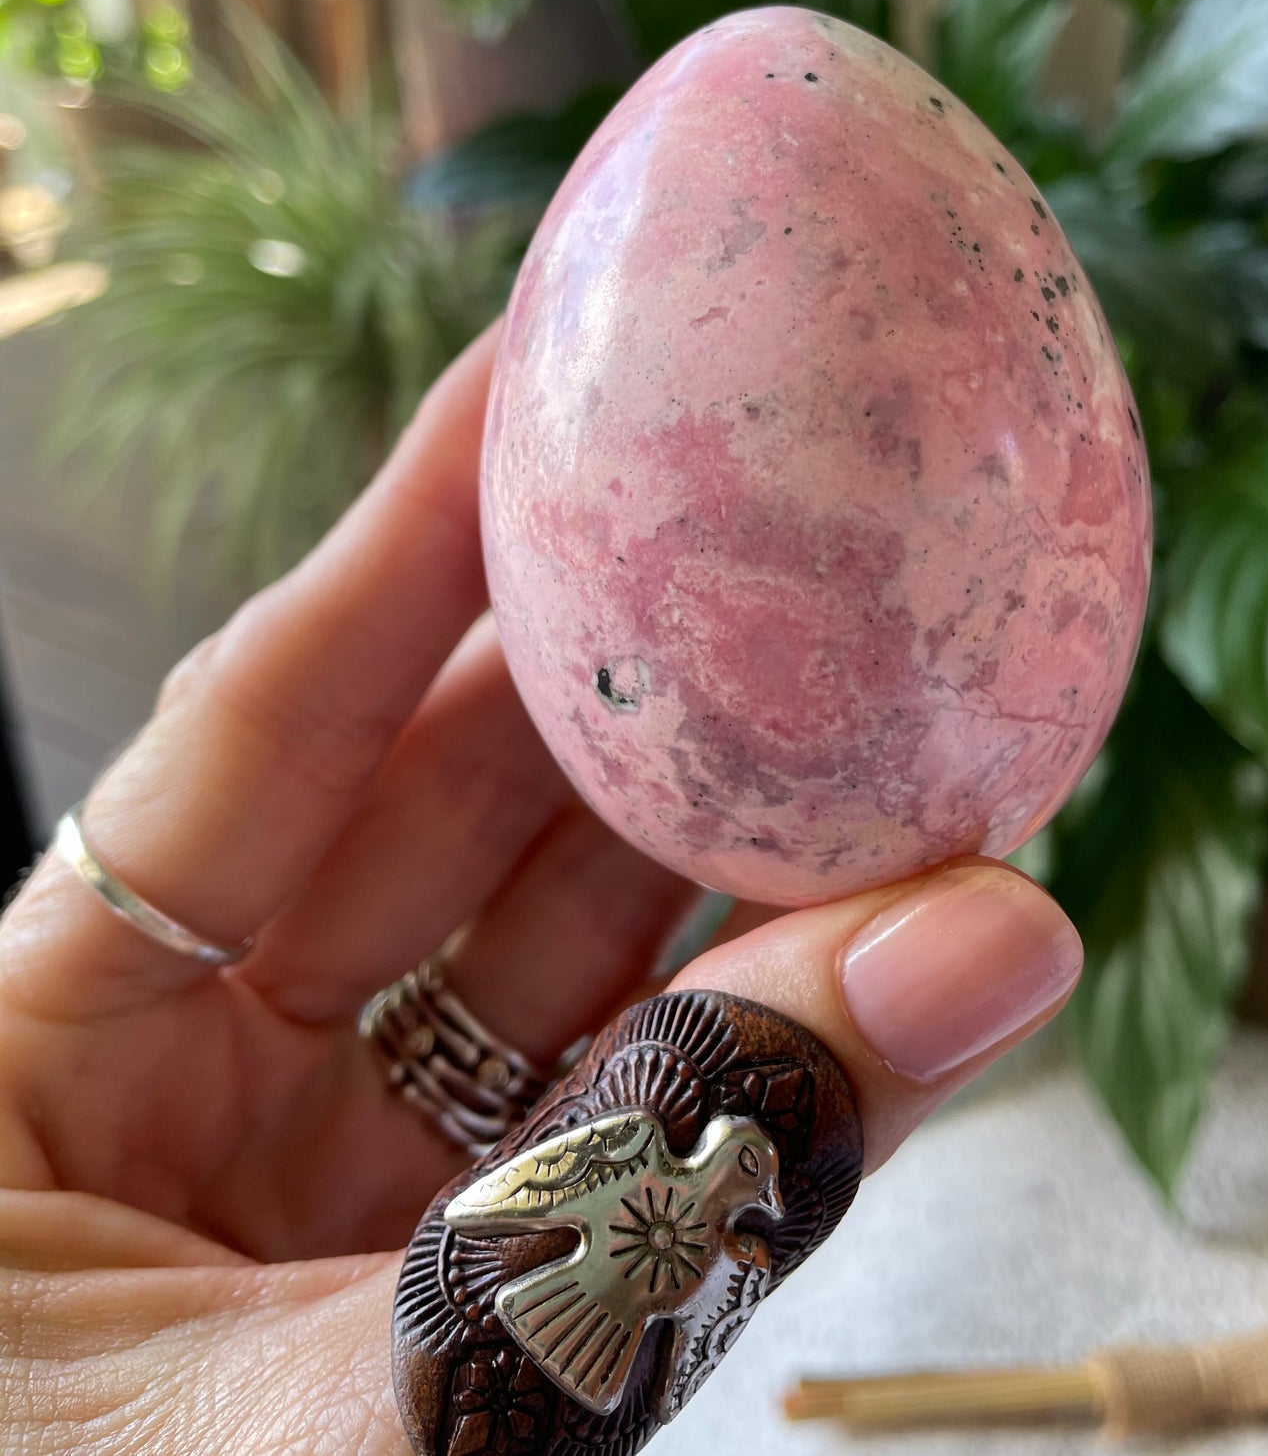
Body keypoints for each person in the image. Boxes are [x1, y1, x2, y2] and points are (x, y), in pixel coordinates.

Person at [0, 324, 1082, 1452]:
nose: (752, 1176)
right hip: (567, 1286)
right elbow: (540, 1200)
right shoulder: (656, 1158)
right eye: (751, 1161)